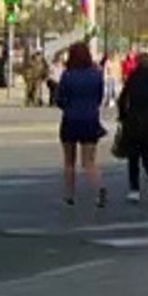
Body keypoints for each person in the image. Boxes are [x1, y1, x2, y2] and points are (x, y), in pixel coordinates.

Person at [56, 43, 106, 207]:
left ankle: (70, 195)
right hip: (90, 119)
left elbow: (60, 98)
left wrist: (67, 105)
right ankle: (99, 187)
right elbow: (100, 97)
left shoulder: (68, 75)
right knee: (89, 161)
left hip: (70, 119)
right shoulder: (97, 74)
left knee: (69, 162)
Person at [117, 53, 148, 204]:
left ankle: (134, 190)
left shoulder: (134, 77)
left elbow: (123, 98)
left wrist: (123, 115)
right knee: (147, 154)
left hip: (134, 121)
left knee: (133, 157)